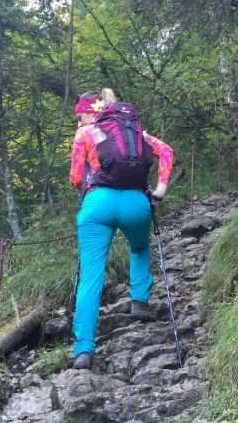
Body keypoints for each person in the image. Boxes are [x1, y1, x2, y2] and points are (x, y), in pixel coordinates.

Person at [68, 90, 174, 370]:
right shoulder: (135, 133)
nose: (79, 123)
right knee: (139, 247)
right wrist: (160, 189)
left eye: (80, 117)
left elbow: (76, 178)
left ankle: (84, 350)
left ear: (91, 112)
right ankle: (139, 302)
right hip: (136, 203)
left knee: (91, 276)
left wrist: (91, 184)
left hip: (97, 204)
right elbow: (166, 151)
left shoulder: (85, 135)